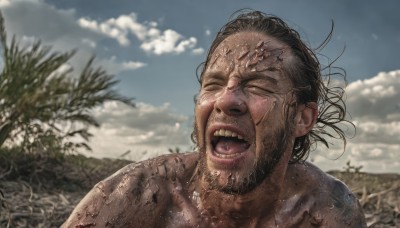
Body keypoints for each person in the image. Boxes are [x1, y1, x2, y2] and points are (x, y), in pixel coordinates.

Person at [62, 10, 367, 227]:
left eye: (259, 86)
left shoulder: (325, 212)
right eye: (213, 84)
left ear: (303, 118)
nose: (226, 99)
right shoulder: (140, 196)